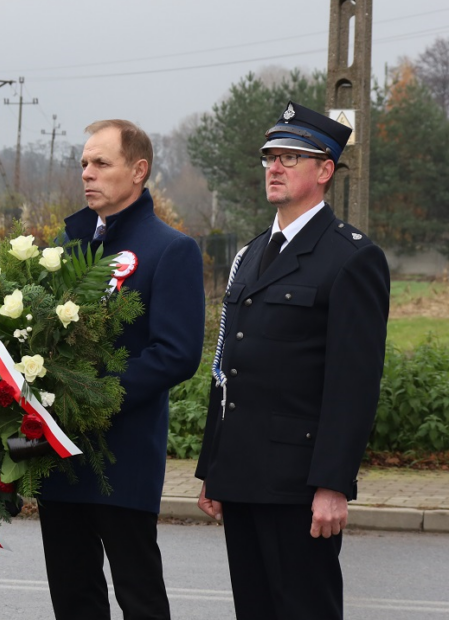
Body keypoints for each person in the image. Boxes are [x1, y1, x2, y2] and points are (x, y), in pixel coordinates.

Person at [195, 102, 390, 620]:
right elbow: (226, 369)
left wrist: (333, 484)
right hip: (241, 474)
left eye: (291, 158)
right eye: (270, 157)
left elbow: (354, 383)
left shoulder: (350, 258)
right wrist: (212, 467)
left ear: (325, 171)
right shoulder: (253, 252)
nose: (274, 168)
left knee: (305, 609)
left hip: (299, 484)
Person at [37, 120, 205, 620]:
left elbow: (176, 353)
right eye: (84, 163)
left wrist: (90, 397)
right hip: (60, 452)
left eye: (101, 163)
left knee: (139, 595)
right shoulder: (69, 250)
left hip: (123, 455)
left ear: (139, 171)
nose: (87, 173)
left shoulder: (171, 248)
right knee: (73, 596)